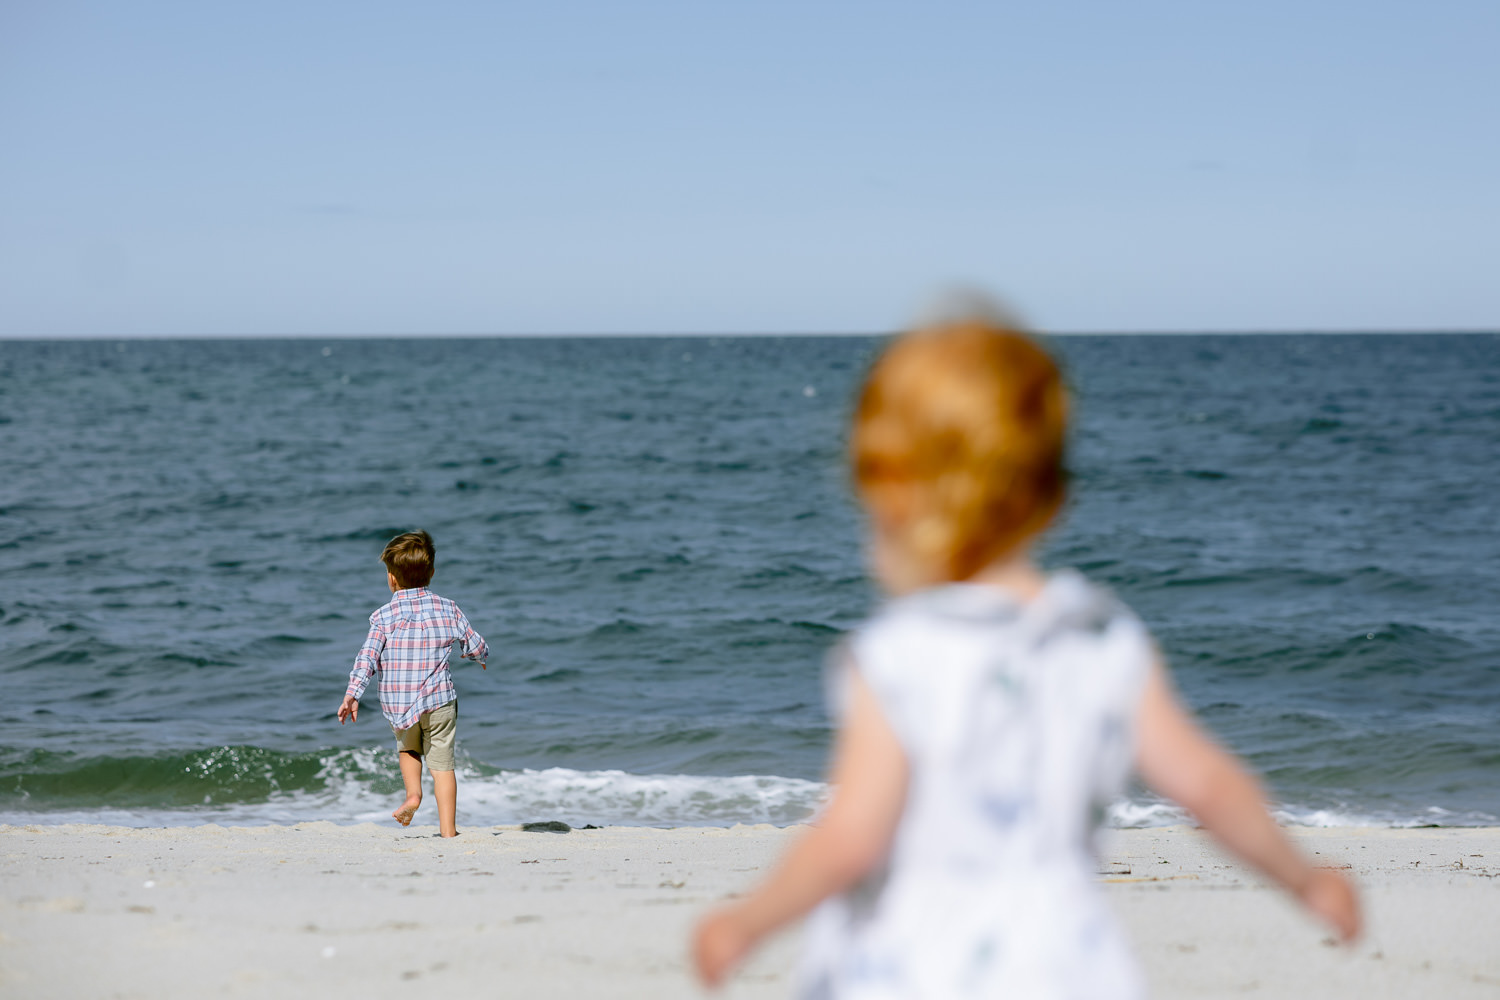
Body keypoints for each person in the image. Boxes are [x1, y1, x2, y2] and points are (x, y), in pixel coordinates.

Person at [692, 315, 1360, 996]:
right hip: (1066, 967)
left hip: (920, 969)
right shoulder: (1100, 637)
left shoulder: (900, 656)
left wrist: (748, 921)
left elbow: (853, 836)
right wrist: (1305, 878)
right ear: (1049, 498)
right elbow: (1206, 786)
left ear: (896, 499)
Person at [337, 530, 489, 838]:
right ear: (431, 572)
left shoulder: (383, 616)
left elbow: (366, 658)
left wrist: (353, 694)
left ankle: (413, 796)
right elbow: (474, 643)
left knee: (408, 748)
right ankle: (448, 831)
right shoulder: (449, 608)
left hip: (399, 703)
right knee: (443, 765)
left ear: (391, 578)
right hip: (440, 701)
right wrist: (478, 656)